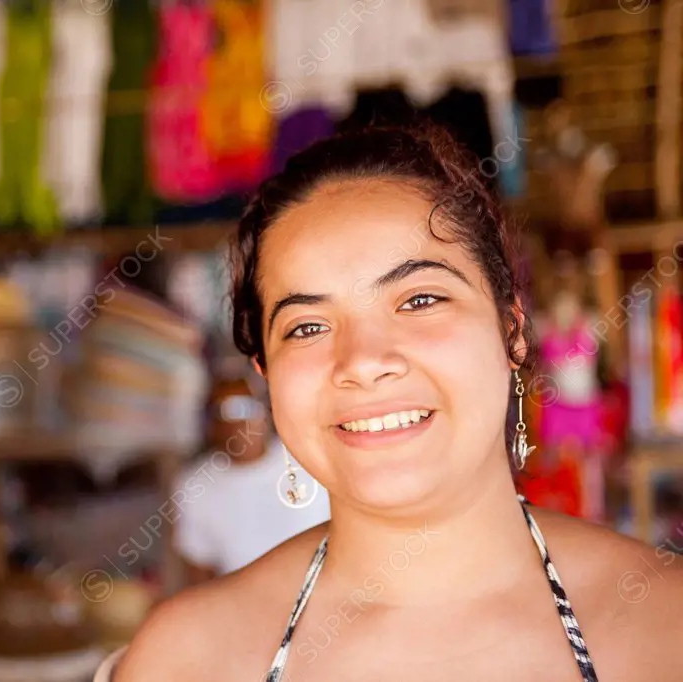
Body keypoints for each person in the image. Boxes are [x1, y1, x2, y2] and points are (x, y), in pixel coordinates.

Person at [95, 122, 683, 682]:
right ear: (266, 374)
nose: (362, 360)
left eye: (420, 299)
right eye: (306, 327)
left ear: (512, 329)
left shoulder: (663, 627)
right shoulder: (187, 660)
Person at [173, 375, 331, 585]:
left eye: (246, 407)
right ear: (210, 424)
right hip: (249, 607)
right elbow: (199, 569)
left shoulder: (307, 457)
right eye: (224, 411)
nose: (237, 422)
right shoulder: (195, 486)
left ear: (266, 411)